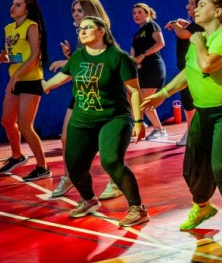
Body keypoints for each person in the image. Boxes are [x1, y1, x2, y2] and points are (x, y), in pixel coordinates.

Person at [141, 0, 222, 243]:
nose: (196, 9)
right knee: (194, 165)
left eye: (202, 5)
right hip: (204, 110)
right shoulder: (199, 38)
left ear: (218, 11)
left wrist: (198, 42)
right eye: (196, 6)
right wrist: (163, 93)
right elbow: (190, 71)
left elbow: (208, 65)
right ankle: (202, 207)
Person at [40, 15, 148, 226]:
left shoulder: (119, 57)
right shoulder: (78, 57)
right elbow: (61, 78)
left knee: (111, 161)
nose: (82, 31)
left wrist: (139, 122)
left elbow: (134, 91)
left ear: (101, 31)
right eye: (80, 29)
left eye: (88, 27)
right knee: (74, 165)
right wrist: (43, 84)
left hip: (114, 118)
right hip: (82, 120)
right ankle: (89, 200)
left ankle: (137, 208)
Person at [45, 0, 114, 196]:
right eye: (74, 10)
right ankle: (70, 177)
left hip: (100, 95)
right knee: (66, 138)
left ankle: (115, 181)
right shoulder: (82, 37)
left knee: (104, 143)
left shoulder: (102, 36)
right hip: (81, 93)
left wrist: (67, 65)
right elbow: (81, 64)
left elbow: (97, 65)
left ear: (91, 13)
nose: (75, 14)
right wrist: (70, 58)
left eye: (79, 10)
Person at [0, 0, 52, 182]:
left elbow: (35, 56)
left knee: (25, 125)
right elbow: (20, 56)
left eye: (18, 4)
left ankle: (42, 167)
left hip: (30, 81)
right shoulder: (9, 28)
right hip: (16, 79)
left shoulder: (31, 26)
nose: (13, 7)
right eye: (13, 3)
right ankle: (17, 156)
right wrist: (6, 58)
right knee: (6, 121)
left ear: (27, 9)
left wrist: (17, 76)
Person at [129, 3, 167, 139]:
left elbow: (160, 43)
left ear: (147, 13)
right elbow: (133, 52)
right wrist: (132, 61)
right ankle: (139, 124)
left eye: (139, 12)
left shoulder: (151, 25)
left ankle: (160, 130)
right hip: (141, 70)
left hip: (153, 68)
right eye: (134, 13)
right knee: (132, 98)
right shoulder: (137, 34)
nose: (136, 15)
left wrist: (143, 55)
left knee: (145, 101)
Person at [164, 0, 200, 135]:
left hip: (193, 69)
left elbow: (183, 34)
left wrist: (174, 23)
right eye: (188, 3)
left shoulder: (199, 24)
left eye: (192, 3)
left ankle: (192, 132)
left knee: (190, 100)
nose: (188, 6)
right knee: (187, 100)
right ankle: (192, 131)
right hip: (186, 68)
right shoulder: (194, 25)